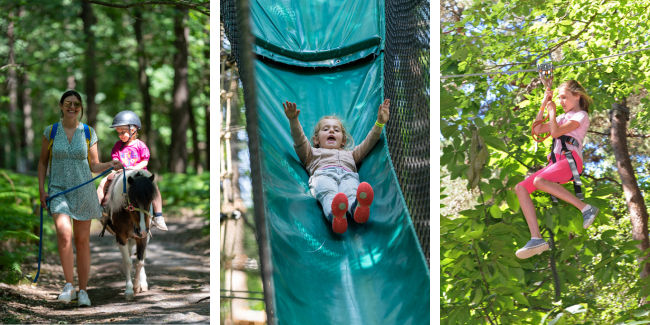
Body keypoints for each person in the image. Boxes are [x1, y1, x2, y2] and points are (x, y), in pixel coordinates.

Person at [37, 90, 124, 307]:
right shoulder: (51, 131)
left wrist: (110, 164)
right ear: (61, 105)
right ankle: (69, 286)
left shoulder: (88, 132)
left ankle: (83, 290)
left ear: (81, 107)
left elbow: (94, 165)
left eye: (76, 104)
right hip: (58, 190)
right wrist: (41, 189)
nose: (72, 107)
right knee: (64, 234)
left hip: (83, 191)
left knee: (82, 241)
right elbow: (42, 163)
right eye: (68, 103)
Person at [515, 80, 600, 259]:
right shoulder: (561, 117)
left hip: (570, 161)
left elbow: (554, 133)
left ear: (577, 96)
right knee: (520, 188)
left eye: (564, 97)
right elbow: (537, 130)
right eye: (559, 98)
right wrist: (544, 104)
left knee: (539, 181)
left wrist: (552, 112)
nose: (561, 102)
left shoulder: (581, 116)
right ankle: (536, 238)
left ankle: (586, 208)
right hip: (556, 163)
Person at [283, 99, 390, 234]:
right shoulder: (310, 153)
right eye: (326, 129)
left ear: (343, 140)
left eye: (336, 130)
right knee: (328, 192)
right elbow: (299, 139)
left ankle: (356, 208)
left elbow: (369, 143)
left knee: (351, 189)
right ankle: (335, 216)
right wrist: (294, 121)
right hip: (323, 175)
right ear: (316, 139)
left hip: (348, 175)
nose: (331, 131)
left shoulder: (351, 154)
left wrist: (379, 123)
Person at [96, 110, 167, 231]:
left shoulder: (140, 145)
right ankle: (99, 210)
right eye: (118, 133)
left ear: (134, 130)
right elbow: (115, 159)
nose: (120, 135)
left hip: (139, 171)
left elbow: (145, 161)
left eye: (123, 132)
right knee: (103, 182)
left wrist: (134, 167)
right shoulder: (118, 145)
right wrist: (116, 166)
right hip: (122, 172)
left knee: (153, 185)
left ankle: (158, 215)